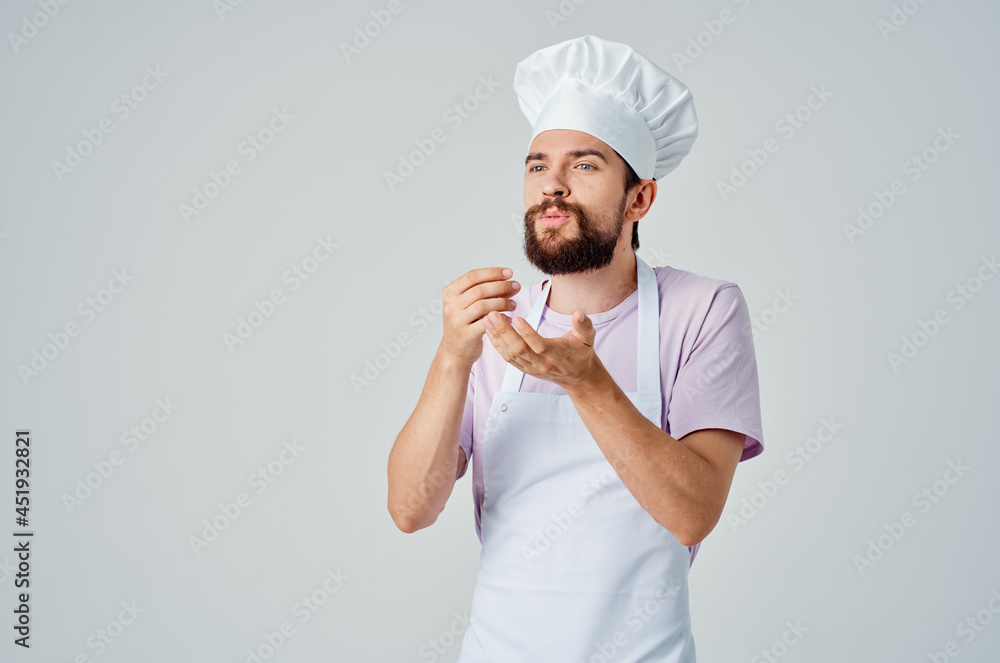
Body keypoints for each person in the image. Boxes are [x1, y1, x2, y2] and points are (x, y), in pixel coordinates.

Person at [387, 35, 764, 662]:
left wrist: (588, 383)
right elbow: (409, 508)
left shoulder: (704, 310)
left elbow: (693, 513)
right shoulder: (493, 323)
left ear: (639, 198)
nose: (551, 186)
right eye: (537, 165)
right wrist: (453, 356)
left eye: (584, 165)